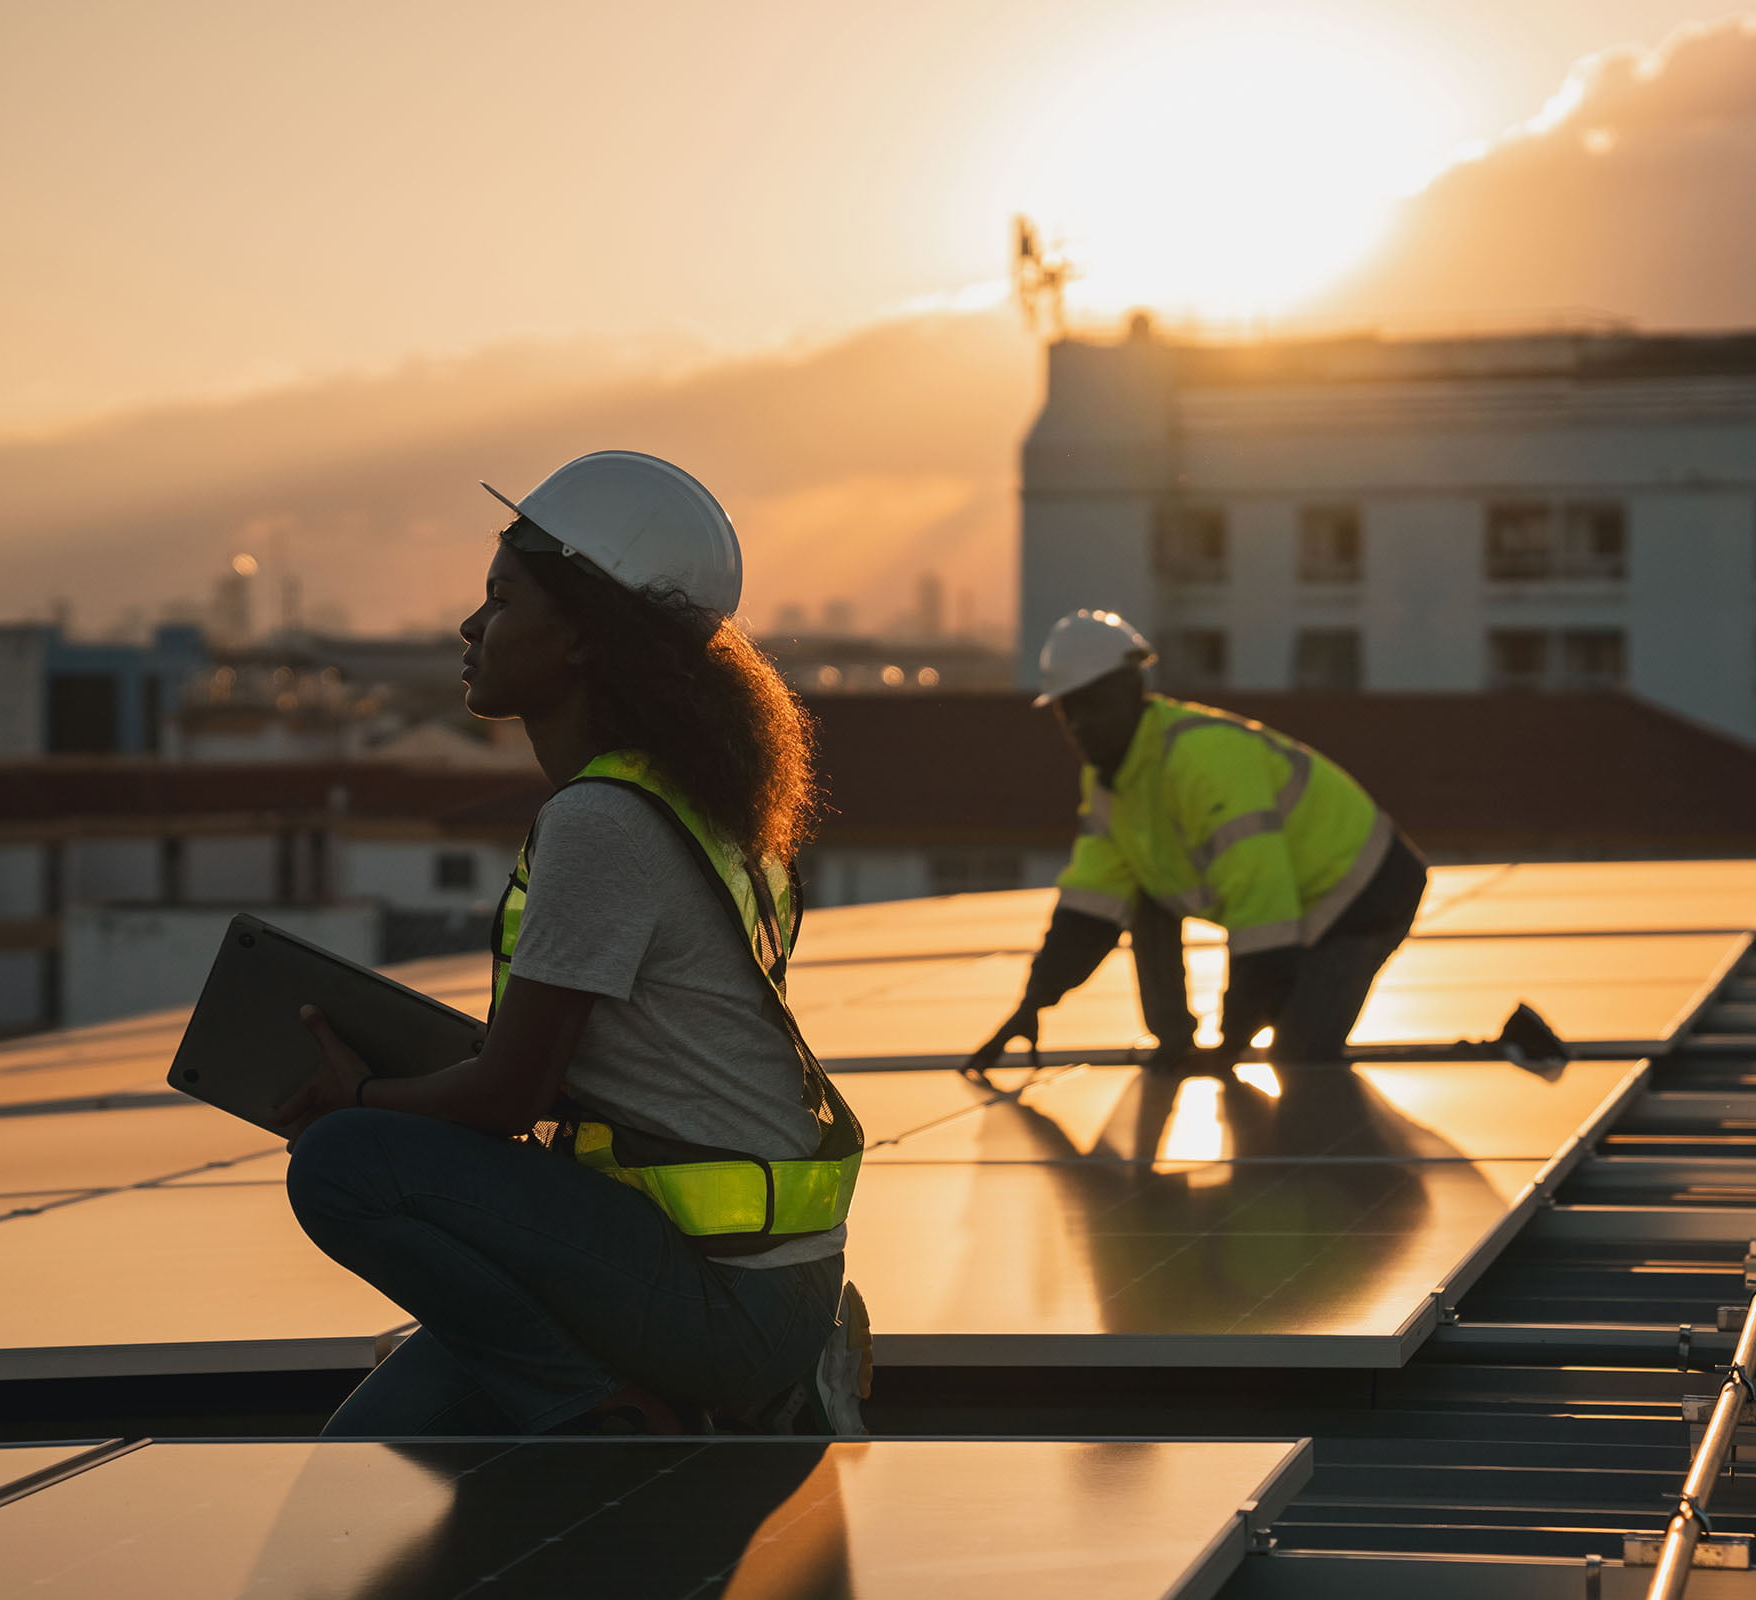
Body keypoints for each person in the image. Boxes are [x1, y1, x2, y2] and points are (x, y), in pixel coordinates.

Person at [277, 450, 870, 1438]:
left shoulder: (604, 822)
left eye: (502, 601)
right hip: (749, 1278)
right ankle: (653, 1394)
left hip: (721, 1301)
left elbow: (509, 1096)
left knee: (341, 1161)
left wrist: (362, 1096)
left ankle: (607, 1413)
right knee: (372, 1444)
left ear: (586, 637)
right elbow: (580, 1076)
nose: (472, 627)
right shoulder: (686, 804)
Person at [968, 608, 1427, 1078]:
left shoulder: (1202, 761)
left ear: (1133, 692)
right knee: (1141, 892)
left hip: (1364, 895)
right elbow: (1090, 906)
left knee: (1298, 1061)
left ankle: (1242, 1052)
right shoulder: (1111, 784)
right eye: (1070, 712)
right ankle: (1172, 1042)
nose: (1082, 725)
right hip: (1297, 898)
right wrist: (1034, 1002)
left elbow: (1262, 909)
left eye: (1094, 704)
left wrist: (1229, 1047)